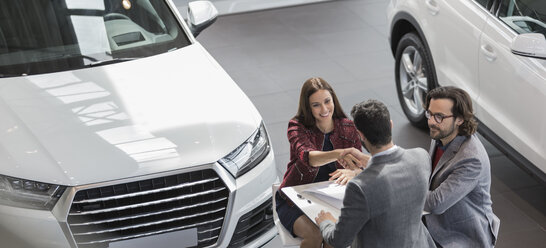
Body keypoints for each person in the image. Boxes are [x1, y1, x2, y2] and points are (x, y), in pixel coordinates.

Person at [315, 99, 436, 248]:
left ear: (360, 135)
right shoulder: (421, 157)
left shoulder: (360, 187)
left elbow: (339, 241)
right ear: (390, 125)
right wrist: (369, 161)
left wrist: (326, 222)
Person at [276, 77, 362, 248]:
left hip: (333, 200)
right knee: (315, 236)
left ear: (333, 100)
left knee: (333, 238)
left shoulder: (349, 127)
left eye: (327, 101)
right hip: (294, 200)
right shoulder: (296, 127)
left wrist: (353, 172)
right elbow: (309, 157)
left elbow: (361, 167)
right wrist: (339, 154)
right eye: (316, 105)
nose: (324, 109)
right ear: (308, 107)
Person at [423, 86, 500, 248]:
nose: (431, 121)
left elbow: (435, 203)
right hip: (437, 221)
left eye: (439, 116)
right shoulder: (441, 133)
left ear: (459, 119)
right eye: (429, 114)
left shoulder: (471, 159)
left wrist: (399, 186)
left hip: (461, 235)